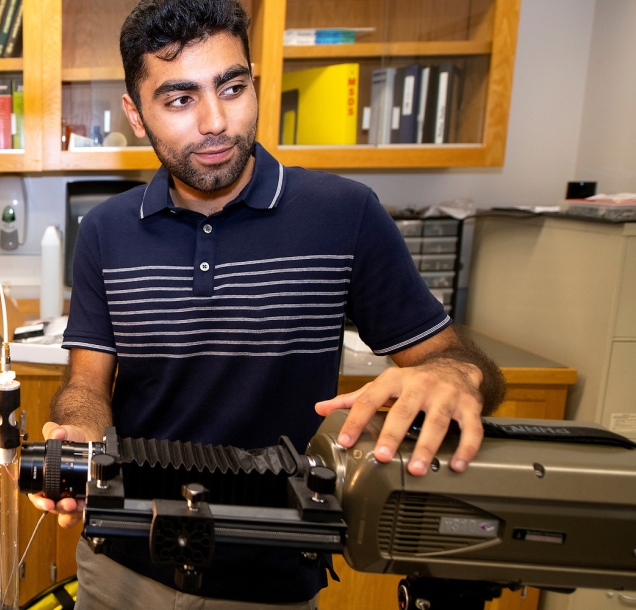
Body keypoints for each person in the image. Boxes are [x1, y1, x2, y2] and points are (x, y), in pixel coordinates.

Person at [27, 0, 506, 608]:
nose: (215, 121)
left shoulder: (346, 214)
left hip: (271, 579)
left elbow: (456, 360)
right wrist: (78, 437)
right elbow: (88, 384)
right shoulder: (104, 231)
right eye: (179, 99)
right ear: (136, 114)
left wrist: (452, 375)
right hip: (122, 562)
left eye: (232, 87)